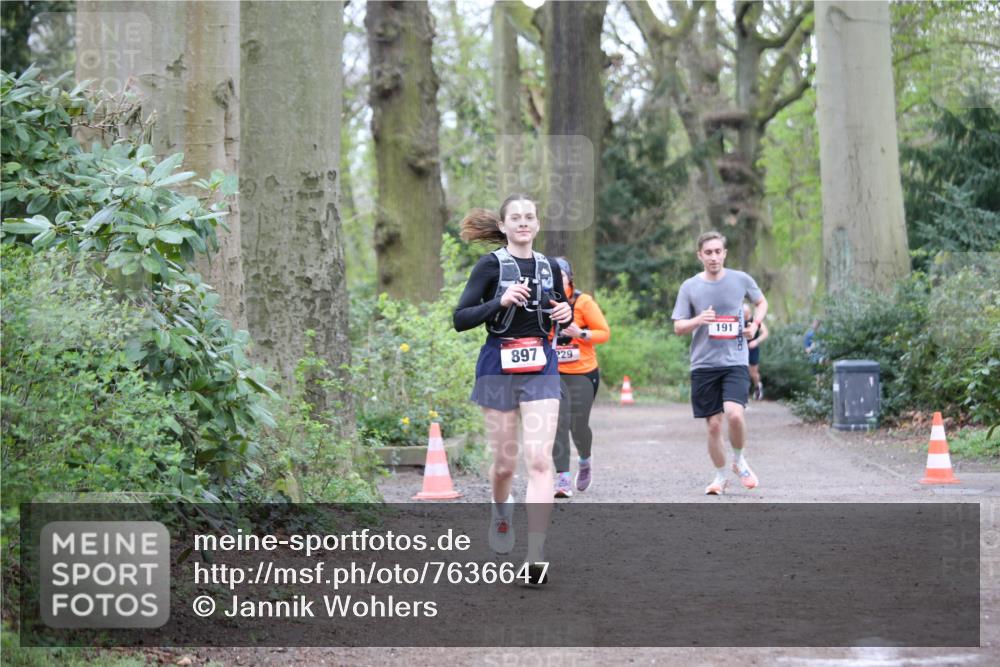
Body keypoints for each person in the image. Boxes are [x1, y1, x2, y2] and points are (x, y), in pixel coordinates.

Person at [453, 193, 573, 585]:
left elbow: (559, 314)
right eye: (516, 218)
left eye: (530, 217)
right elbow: (460, 319)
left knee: (540, 461)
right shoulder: (489, 266)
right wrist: (500, 301)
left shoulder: (551, 268)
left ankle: (536, 554)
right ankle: (499, 511)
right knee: (505, 464)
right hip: (497, 366)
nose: (523, 223)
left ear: (537, 225)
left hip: (540, 366)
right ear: (503, 226)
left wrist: (564, 313)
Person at [672, 231, 768, 495]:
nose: (713, 257)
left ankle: (739, 460)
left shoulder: (741, 280)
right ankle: (720, 476)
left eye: (718, 251)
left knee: (735, 414)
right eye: (708, 252)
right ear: (699, 255)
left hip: (735, 360)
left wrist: (755, 325)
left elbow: (761, 303)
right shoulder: (690, 286)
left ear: (724, 253)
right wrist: (698, 320)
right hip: (703, 364)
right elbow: (679, 327)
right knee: (714, 424)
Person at [550, 257, 610, 498]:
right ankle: (562, 478)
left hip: (583, 372)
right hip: (554, 372)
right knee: (558, 422)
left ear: (569, 278)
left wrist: (580, 332)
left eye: (560, 276)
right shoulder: (541, 303)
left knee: (578, 424)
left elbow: (604, 333)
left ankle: (585, 460)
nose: (555, 280)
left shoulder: (584, 302)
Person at [743, 303, 769, 401]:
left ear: (749, 311)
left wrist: (755, 341)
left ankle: (757, 387)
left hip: (753, 348)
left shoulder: (755, 320)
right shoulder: (739, 319)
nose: (744, 314)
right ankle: (743, 393)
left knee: (753, 373)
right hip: (741, 349)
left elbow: (765, 333)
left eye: (746, 312)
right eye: (742, 312)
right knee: (742, 370)